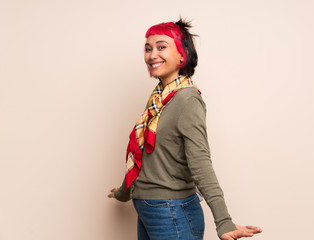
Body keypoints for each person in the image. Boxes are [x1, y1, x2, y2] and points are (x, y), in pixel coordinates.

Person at [108, 18, 262, 240]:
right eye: (148, 48)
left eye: (162, 47)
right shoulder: (159, 98)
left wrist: (223, 220)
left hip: (171, 210)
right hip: (148, 208)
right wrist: (125, 192)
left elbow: (200, 161)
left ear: (182, 55)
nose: (152, 55)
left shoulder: (186, 99)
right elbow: (145, 155)